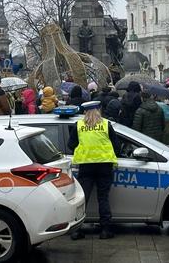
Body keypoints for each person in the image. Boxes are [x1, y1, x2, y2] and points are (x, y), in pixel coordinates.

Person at [68, 101, 118, 240]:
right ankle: (105, 230)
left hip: (86, 166)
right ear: (98, 111)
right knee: (103, 198)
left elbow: (71, 144)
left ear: (85, 112)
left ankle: (77, 230)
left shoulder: (78, 125)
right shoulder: (106, 125)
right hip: (104, 165)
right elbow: (116, 145)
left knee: (83, 199)